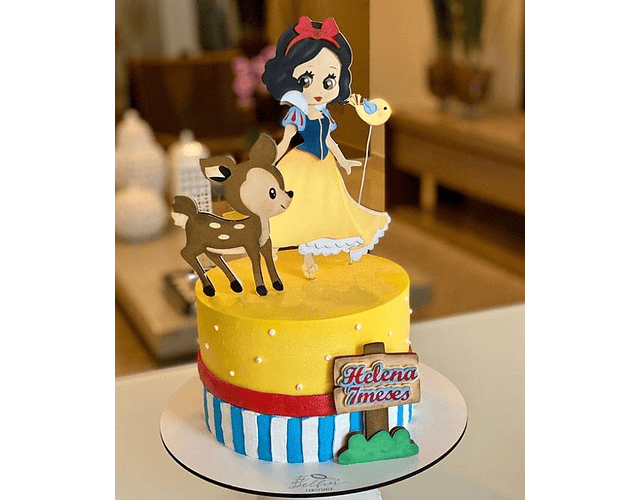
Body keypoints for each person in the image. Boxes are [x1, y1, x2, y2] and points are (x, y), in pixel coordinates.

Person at [262, 16, 390, 279]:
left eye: (329, 80)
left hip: (325, 167)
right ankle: (274, 248)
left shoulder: (324, 115)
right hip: (299, 166)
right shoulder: (297, 114)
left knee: (322, 212)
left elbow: (329, 140)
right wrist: (270, 163)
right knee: (294, 210)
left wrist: (343, 160)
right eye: (306, 79)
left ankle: (309, 260)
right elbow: (285, 142)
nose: (319, 89)